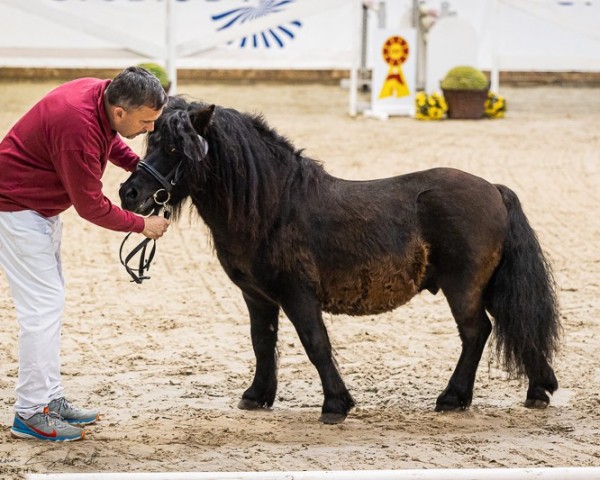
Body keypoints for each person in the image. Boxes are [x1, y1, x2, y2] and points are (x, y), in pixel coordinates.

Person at [0, 66, 171, 442]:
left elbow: (108, 140)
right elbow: (91, 206)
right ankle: (29, 413)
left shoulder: (100, 95)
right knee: (42, 310)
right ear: (122, 111)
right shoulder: (76, 126)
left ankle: (49, 399)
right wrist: (142, 225)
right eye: (146, 121)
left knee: (49, 306)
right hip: (16, 211)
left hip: (34, 209)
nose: (151, 129)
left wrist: (139, 167)